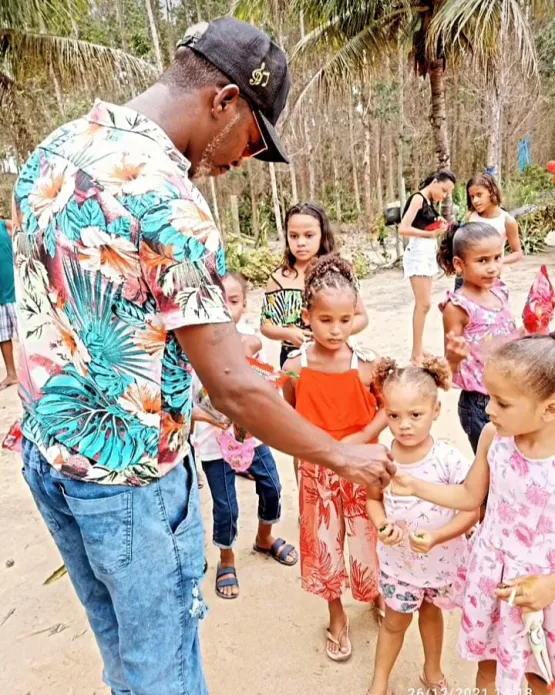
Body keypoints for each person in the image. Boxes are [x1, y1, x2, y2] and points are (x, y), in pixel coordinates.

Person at [11, 18, 394, 695]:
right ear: (223, 99)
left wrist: (192, 388)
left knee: (125, 657)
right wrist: (343, 454)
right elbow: (242, 390)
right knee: (163, 668)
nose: (243, 160)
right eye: (252, 138)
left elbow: (86, 311)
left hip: (52, 458)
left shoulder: (56, 148)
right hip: (130, 483)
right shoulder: (168, 201)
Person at [391, 333, 555, 695]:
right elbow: (470, 495)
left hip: (541, 587)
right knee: (489, 667)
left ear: (550, 408)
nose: (488, 409)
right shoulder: (493, 438)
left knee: (541, 676)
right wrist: (415, 486)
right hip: (493, 576)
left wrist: (550, 586)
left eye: (502, 402)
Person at [283, 253, 388, 663]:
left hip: (362, 469)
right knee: (323, 544)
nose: (336, 329)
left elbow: (386, 408)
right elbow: (289, 414)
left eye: (345, 320)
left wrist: (360, 438)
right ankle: (337, 614)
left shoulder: (366, 364)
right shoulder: (295, 367)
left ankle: (374, 592)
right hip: (317, 473)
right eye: (326, 320)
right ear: (308, 316)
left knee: (368, 538)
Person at [366, 357, 478, 695]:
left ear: (435, 410)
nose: (404, 425)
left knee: (432, 614)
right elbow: (373, 499)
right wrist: (382, 524)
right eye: (394, 415)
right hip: (399, 565)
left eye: (415, 415)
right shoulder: (381, 458)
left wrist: (439, 536)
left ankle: (432, 671)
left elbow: (471, 507)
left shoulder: (449, 458)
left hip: (440, 561)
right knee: (395, 623)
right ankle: (380, 683)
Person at [192, 273, 297, 601]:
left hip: (252, 436)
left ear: (244, 306)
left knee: (273, 488)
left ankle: (265, 537)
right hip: (213, 442)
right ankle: (227, 557)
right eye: (217, 302)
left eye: (233, 302)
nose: (225, 310)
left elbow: (264, 383)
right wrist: (213, 419)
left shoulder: (250, 338)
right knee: (226, 507)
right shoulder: (191, 347)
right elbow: (184, 403)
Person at [437, 222, 517, 454]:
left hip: (510, 393)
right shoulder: (458, 307)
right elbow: (448, 367)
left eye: (497, 258)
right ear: (459, 265)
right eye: (482, 260)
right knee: (490, 468)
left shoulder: (500, 291)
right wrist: (453, 357)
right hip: (480, 403)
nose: (493, 268)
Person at [261, 202, 368, 368]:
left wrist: (332, 333)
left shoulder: (339, 272)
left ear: (323, 236)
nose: (301, 242)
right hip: (294, 359)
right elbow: (266, 326)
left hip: (336, 356)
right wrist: (288, 333)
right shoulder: (277, 279)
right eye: (294, 236)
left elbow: (361, 317)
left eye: (309, 235)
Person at [399, 170, 456, 366]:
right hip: (417, 253)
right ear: (434, 182)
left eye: (448, 193)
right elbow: (403, 228)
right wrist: (429, 234)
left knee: (425, 305)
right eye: (444, 189)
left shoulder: (430, 203)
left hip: (426, 253)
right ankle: (416, 354)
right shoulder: (418, 199)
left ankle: (419, 347)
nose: (445, 195)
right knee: (422, 304)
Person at [0, 217, 17, 391]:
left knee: (27, 334)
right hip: (0, 297)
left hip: (15, 293)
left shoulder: (5, 226)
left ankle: (35, 372)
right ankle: (12, 374)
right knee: (3, 336)